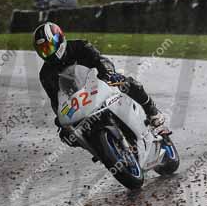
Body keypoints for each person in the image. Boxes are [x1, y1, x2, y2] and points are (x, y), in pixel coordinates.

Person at [33, 22, 170, 145]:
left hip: (100, 83)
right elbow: (55, 99)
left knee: (127, 83)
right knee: (69, 137)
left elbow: (100, 59)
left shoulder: (79, 46)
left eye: (49, 47)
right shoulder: (45, 74)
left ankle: (153, 113)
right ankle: (101, 148)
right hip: (79, 101)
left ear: (59, 39)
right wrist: (60, 119)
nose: (47, 52)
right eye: (43, 50)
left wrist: (109, 73)